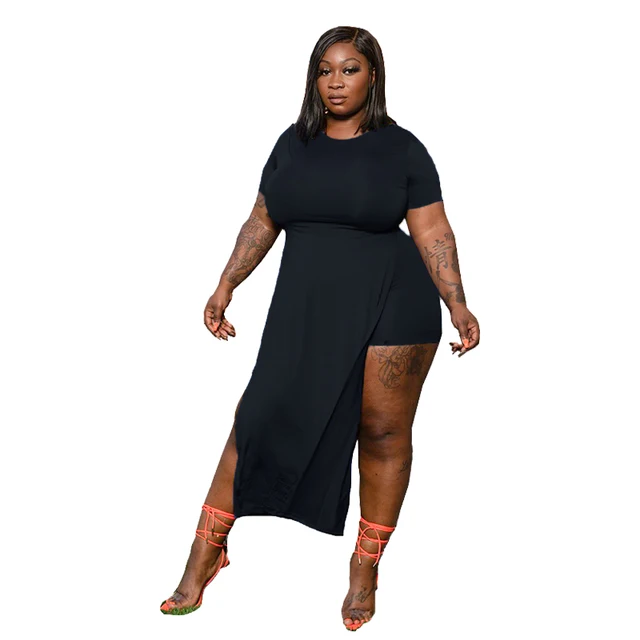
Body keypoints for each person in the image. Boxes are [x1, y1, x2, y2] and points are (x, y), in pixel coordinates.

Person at [160, 25, 480, 631]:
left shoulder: (402, 149)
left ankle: (365, 570)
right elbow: (262, 219)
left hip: (394, 299)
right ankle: (205, 554)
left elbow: (434, 230)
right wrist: (226, 283)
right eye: (325, 70)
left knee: (381, 430)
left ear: (373, 76)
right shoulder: (293, 142)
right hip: (306, 305)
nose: (336, 82)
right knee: (256, 419)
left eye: (349, 69)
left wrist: (458, 304)